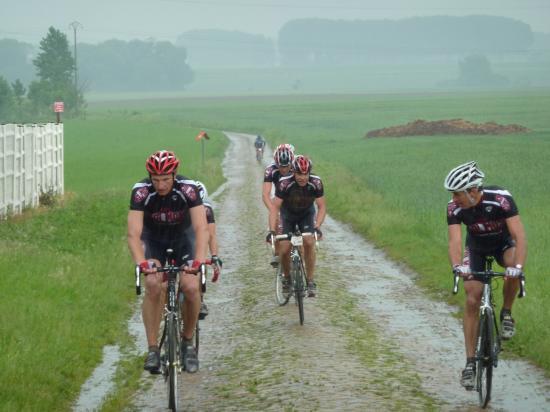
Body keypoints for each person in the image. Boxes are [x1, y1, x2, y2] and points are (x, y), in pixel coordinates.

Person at [444, 161, 527, 390]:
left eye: (457, 194)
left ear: (472, 191)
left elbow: (519, 236)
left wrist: (518, 267)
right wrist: (457, 266)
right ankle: (470, 364)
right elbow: (455, 241)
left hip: (502, 244)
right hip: (476, 248)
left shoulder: (501, 199)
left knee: (511, 268)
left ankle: (507, 312)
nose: (454, 199)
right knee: (473, 296)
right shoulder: (454, 207)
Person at [127, 150, 208, 374]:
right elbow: (134, 234)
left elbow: (201, 228)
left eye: (165, 179)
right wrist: (141, 262)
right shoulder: (141, 192)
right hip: (154, 242)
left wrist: (199, 260)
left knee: (191, 287)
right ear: (149, 178)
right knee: (153, 284)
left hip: (184, 240)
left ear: (174, 175)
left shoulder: (188, 189)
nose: (160, 185)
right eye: (155, 180)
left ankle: (187, 343)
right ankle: (153, 349)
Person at [267, 155, 326, 297]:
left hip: (306, 215)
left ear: (309, 173)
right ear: (293, 172)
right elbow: (275, 208)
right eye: (299, 174)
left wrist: (317, 226)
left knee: (309, 241)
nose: (303, 178)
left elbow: (321, 206)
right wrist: (272, 231)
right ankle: (287, 278)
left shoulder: (316, 182)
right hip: (288, 215)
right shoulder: (284, 183)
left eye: (306, 174)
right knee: (285, 247)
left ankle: (311, 281)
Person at [193, 181, 223, 319]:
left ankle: (200, 300)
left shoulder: (207, 210)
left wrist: (214, 256)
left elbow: (211, 236)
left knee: (200, 268)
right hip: (181, 237)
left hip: (199, 238)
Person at [262, 144, 295, 267]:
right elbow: (265, 195)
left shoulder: (296, 168)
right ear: (276, 163)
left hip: (295, 198)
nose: (284, 169)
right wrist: (273, 211)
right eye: (281, 166)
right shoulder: (270, 170)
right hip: (278, 198)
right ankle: (277, 252)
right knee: (276, 220)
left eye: (287, 166)